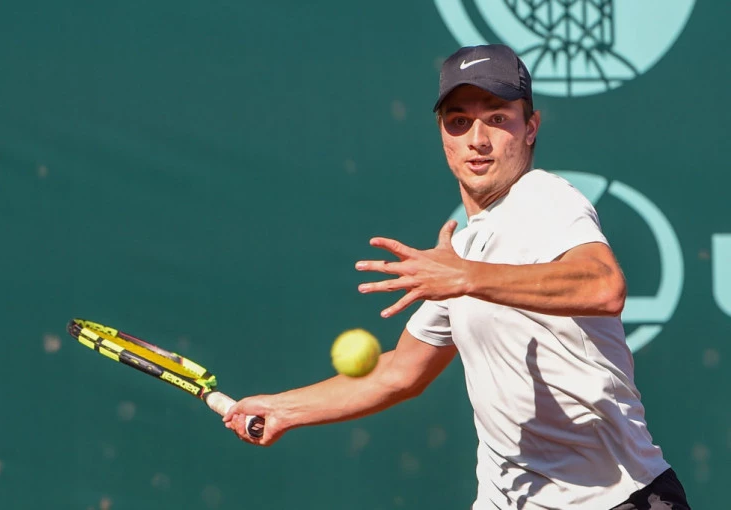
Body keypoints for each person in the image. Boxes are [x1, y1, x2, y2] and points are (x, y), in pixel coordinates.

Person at [222, 44, 691, 510]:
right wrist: (283, 409)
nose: (477, 139)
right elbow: (400, 374)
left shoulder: (542, 197)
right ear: (443, 134)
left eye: (497, 118)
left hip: (617, 499)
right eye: (459, 121)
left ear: (530, 128)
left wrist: (465, 276)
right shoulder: (462, 253)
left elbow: (603, 286)